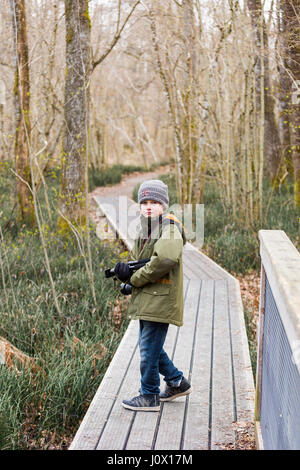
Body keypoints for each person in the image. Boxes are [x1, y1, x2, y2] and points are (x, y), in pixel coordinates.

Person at [113, 179, 192, 411]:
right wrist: (126, 275)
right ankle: (177, 382)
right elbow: (144, 262)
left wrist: (134, 280)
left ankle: (149, 395)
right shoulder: (147, 228)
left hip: (160, 299)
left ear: (163, 205)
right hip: (151, 297)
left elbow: (164, 260)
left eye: (154, 202)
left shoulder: (169, 228)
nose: (148, 206)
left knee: (148, 350)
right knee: (151, 348)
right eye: (144, 202)